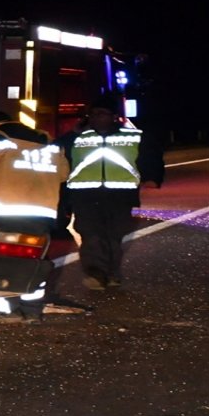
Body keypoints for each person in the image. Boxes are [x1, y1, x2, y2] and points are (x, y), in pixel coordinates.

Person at [0, 110, 68, 318]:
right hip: (42, 211)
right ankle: (32, 311)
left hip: (3, 209)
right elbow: (64, 174)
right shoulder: (47, 140)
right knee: (35, 261)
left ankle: (6, 310)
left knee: (0, 260)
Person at [64, 93, 164, 290]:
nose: (97, 117)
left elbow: (151, 157)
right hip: (85, 195)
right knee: (91, 234)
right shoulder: (76, 137)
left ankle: (111, 274)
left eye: (102, 113)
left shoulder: (133, 136)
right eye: (93, 114)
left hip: (120, 195)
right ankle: (96, 274)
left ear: (114, 116)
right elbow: (59, 156)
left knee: (114, 236)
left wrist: (153, 177)